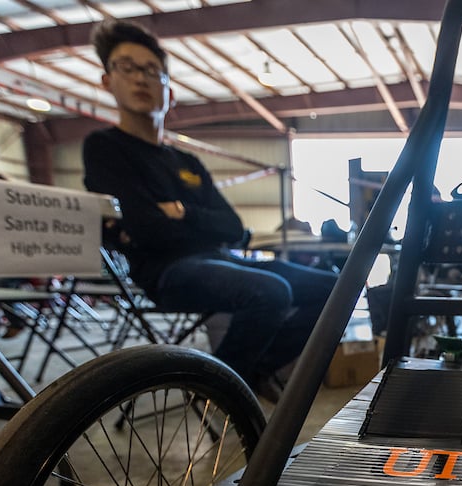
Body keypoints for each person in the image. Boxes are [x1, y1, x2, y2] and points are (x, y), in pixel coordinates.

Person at [82, 20, 336, 402]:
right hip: (167, 273)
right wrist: (190, 222)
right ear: (107, 80)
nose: (140, 79)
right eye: (127, 67)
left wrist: (182, 214)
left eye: (152, 71)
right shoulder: (104, 148)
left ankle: (248, 371)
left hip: (220, 259)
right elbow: (146, 229)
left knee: (336, 290)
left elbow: (232, 227)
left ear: (169, 90)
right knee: (269, 291)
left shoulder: (185, 161)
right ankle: (219, 387)